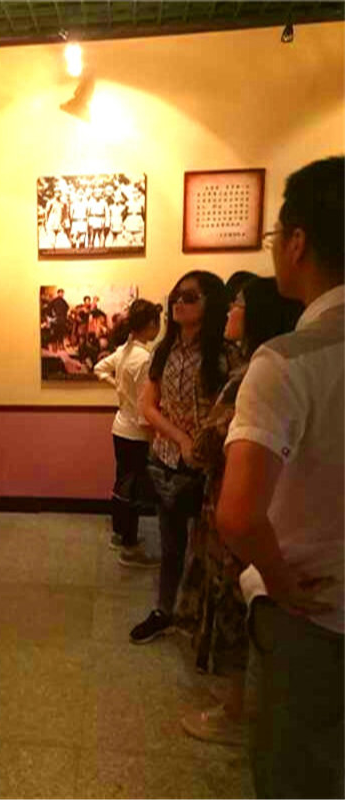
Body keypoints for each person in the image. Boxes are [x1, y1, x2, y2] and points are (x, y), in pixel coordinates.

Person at [216, 156, 344, 798]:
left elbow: (239, 515)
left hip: (318, 612)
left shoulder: (289, 361)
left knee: (295, 774)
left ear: (297, 241)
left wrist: (284, 587)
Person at [177, 277, 303, 746]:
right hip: (271, 503)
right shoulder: (285, 366)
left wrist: (191, 442)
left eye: (240, 304)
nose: (231, 310)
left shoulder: (251, 375)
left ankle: (235, 710)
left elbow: (207, 447)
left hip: (234, 500)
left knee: (233, 600)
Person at [129, 270, 229, 643]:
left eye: (190, 297)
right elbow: (148, 406)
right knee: (170, 543)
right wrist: (180, 438)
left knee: (208, 550)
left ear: (210, 303)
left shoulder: (224, 354)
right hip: (168, 460)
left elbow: (231, 411)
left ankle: (203, 620)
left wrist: (202, 443)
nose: (178, 303)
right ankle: (164, 609)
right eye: (176, 296)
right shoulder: (164, 350)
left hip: (212, 466)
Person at [94, 300, 162, 561]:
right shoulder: (144, 358)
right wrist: (153, 438)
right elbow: (146, 407)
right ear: (151, 325)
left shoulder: (124, 351)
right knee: (133, 488)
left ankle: (120, 534)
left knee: (122, 483)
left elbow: (99, 368)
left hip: (120, 427)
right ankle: (130, 546)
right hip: (136, 432)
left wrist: (119, 387)